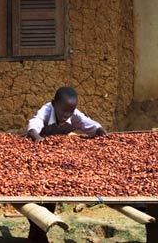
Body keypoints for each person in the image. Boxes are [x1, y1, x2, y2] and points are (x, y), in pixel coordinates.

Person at [26, 86, 107, 242]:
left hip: (56, 163)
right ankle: (37, 235)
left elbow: (91, 126)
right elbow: (33, 126)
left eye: (71, 111)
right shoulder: (46, 110)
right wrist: (39, 141)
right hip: (36, 158)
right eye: (64, 111)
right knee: (37, 199)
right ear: (54, 103)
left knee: (51, 198)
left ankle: (37, 236)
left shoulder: (74, 115)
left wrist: (104, 135)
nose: (67, 115)